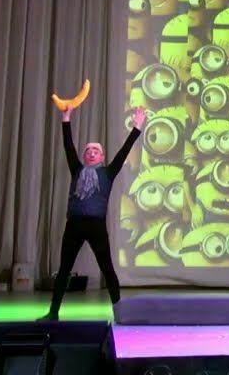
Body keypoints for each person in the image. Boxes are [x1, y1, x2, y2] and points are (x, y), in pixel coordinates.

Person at [41, 103, 146, 321]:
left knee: (107, 270)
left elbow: (124, 152)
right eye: (88, 151)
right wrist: (66, 119)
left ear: (102, 156)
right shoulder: (77, 170)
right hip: (74, 225)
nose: (91, 153)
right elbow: (68, 147)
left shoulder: (108, 173)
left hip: (96, 226)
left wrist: (136, 128)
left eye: (95, 151)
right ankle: (53, 313)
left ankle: (121, 314)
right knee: (64, 269)